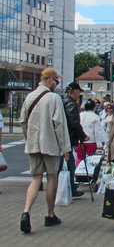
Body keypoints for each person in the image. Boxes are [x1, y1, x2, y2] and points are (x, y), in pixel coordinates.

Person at [19, 68, 71, 233]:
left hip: (34, 144)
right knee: (51, 178)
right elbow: (59, 124)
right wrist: (65, 148)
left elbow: (22, 121)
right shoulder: (54, 98)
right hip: (50, 145)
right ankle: (50, 215)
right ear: (49, 80)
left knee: (35, 179)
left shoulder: (30, 97)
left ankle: (26, 212)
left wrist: (29, 139)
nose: (57, 84)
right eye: (56, 81)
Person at [61, 81, 88, 197]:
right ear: (75, 91)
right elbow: (74, 123)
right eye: (78, 92)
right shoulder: (72, 104)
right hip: (69, 138)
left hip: (63, 137)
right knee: (70, 164)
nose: (79, 94)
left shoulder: (63, 102)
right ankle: (71, 188)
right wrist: (83, 136)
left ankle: (66, 187)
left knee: (64, 163)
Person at [76, 99, 107, 166]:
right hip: (91, 141)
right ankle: (88, 174)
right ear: (94, 107)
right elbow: (97, 131)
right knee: (90, 159)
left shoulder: (80, 115)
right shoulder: (95, 116)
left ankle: (78, 172)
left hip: (80, 140)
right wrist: (99, 144)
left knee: (80, 158)